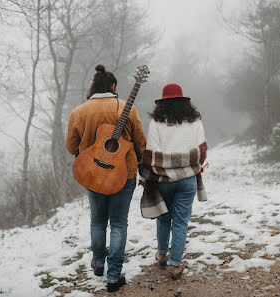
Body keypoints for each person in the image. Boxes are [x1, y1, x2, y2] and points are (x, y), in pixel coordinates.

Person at [65, 65, 146, 292]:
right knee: (119, 223)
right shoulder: (126, 108)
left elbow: (71, 145)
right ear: (113, 87)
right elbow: (140, 141)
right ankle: (113, 276)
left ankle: (98, 263)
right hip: (124, 173)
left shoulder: (79, 111)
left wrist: (86, 157)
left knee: (98, 221)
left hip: (92, 173)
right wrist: (142, 164)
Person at [139, 83, 208, 280]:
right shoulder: (195, 121)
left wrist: (148, 177)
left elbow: (151, 153)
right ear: (184, 102)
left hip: (163, 180)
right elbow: (202, 150)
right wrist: (195, 167)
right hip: (187, 179)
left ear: (162, 103)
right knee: (181, 222)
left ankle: (161, 255)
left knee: (163, 218)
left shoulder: (156, 123)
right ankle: (175, 264)